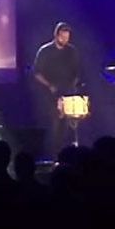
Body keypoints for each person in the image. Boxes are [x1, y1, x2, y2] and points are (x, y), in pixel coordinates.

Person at [32, 22, 82, 155]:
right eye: (63, 37)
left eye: (68, 37)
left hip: (67, 91)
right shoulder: (45, 51)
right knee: (54, 123)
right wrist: (50, 86)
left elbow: (76, 72)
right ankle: (53, 154)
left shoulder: (72, 51)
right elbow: (36, 72)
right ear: (57, 35)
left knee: (68, 125)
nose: (66, 40)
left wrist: (73, 86)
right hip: (49, 92)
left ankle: (66, 153)